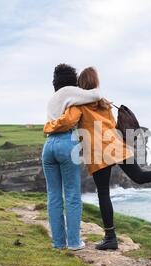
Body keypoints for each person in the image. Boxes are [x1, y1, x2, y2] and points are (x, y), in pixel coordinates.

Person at [44, 67, 151, 251]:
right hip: (116, 145)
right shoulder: (105, 103)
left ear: (80, 86)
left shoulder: (78, 105)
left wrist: (49, 126)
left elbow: (68, 121)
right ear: (96, 83)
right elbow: (112, 124)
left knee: (103, 192)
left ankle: (110, 237)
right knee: (139, 176)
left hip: (99, 151)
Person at [42, 63, 102, 251]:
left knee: (53, 195)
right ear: (72, 78)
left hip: (49, 145)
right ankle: (74, 242)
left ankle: (58, 243)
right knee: (72, 195)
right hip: (68, 144)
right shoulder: (70, 91)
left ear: (55, 81)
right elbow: (97, 94)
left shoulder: (52, 99)